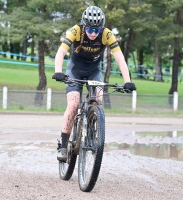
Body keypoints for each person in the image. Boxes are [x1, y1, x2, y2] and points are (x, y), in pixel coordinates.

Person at [52, 6, 136, 161]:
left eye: (96, 31)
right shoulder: (76, 30)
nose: (92, 33)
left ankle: (91, 134)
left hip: (94, 71)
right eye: (90, 29)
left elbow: (120, 59)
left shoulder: (107, 34)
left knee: (97, 99)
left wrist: (127, 81)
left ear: (101, 29)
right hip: (75, 70)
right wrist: (58, 71)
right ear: (85, 26)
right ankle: (63, 146)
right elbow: (61, 51)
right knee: (73, 105)